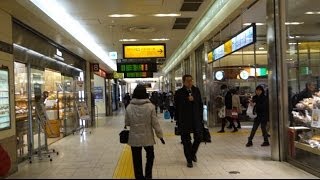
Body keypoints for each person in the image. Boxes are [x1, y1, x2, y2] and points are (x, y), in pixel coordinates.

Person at [125, 85, 165, 179]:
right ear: (145, 94)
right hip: (147, 137)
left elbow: (127, 123)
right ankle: (148, 175)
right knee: (150, 156)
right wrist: (160, 136)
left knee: (136, 159)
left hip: (134, 138)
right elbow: (155, 123)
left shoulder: (129, 107)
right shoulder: (150, 106)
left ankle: (139, 177)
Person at [175, 74, 203, 168]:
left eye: (191, 80)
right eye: (187, 81)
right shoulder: (179, 92)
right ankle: (189, 160)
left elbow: (200, 104)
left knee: (199, 137)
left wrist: (201, 118)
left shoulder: (196, 90)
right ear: (183, 82)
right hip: (184, 120)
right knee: (186, 141)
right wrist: (187, 100)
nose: (190, 82)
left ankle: (192, 153)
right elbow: (177, 107)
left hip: (196, 119)